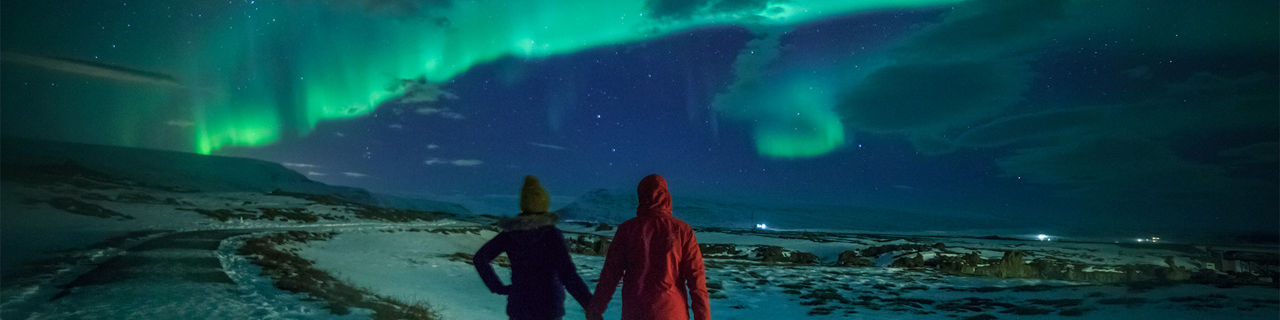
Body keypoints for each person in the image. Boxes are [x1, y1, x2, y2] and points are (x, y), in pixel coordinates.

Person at [587, 174, 709, 320]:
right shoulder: (682, 230)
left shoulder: (627, 230)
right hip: (672, 313)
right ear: (666, 196)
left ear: (641, 196)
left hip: (635, 312)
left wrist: (595, 309)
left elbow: (610, 275)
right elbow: (697, 280)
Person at [475, 175, 592, 320]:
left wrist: (497, 287)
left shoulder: (510, 234)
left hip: (519, 305)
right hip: (548, 305)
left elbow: (480, 258)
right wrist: (590, 306)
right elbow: (568, 274)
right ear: (544, 204)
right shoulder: (551, 235)